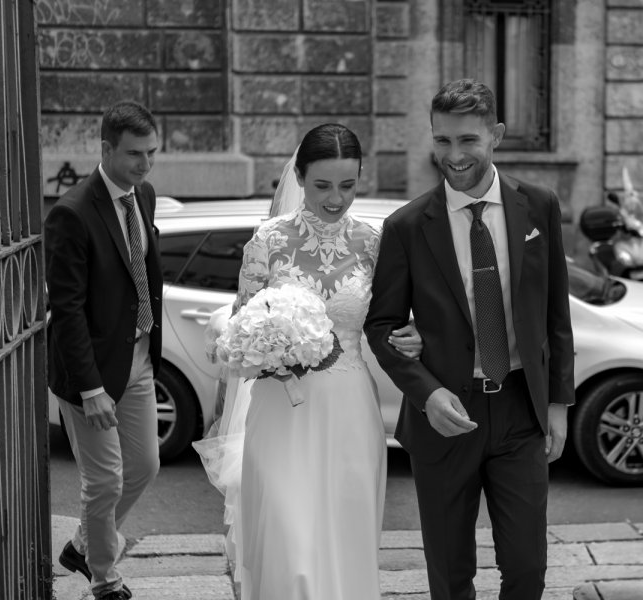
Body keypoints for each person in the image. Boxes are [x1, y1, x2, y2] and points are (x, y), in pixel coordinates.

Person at [364, 79, 575, 600]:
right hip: (445, 416)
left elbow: (556, 313)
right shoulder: (408, 225)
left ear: (496, 135)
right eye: (442, 141)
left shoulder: (540, 206)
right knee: (451, 576)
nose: (453, 155)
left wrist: (559, 404)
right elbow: (381, 324)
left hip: (521, 412)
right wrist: (426, 392)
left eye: (467, 141)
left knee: (527, 570)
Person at [195, 123, 423, 600]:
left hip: (349, 407)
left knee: (344, 535)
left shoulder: (377, 242)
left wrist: (413, 336)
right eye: (322, 185)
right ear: (298, 177)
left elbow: (390, 319)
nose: (335, 198)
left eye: (348, 184)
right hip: (280, 409)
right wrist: (263, 341)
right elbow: (241, 325)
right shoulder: (267, 241)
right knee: (288, 541)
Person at [45, 100, 163, 600]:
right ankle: (103, 577)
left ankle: (80, 543)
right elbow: (66, 310)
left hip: (136, 356)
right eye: (135, 154)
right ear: (106, 149)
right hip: (89, 371)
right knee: (105, 481)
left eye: (152, 152)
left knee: (145, 467)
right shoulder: (71, 213)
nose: (145, 164)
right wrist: (91, 388)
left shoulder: (146, 195)